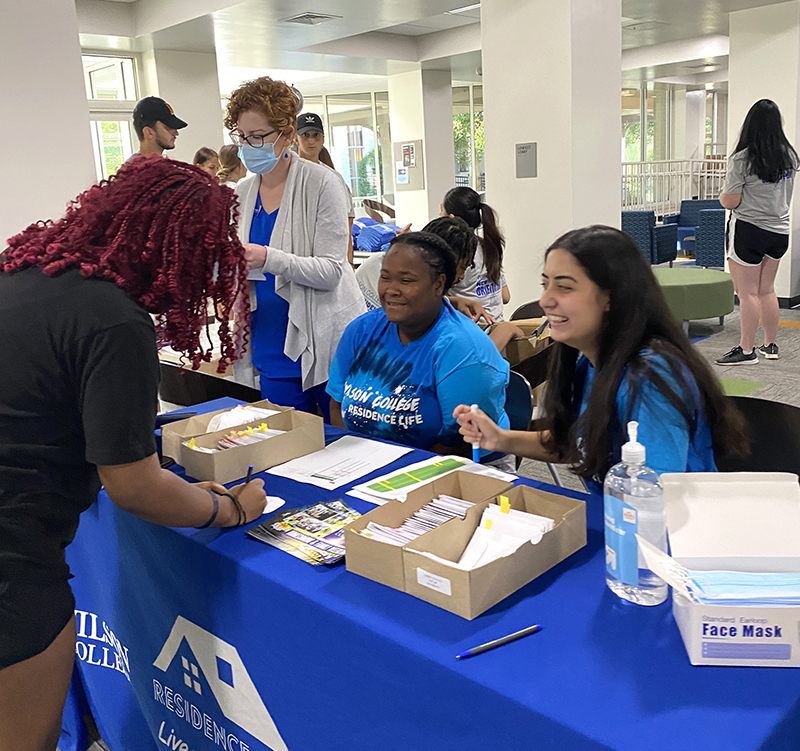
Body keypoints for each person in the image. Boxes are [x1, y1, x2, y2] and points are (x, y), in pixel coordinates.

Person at [0, 158, 267, 750]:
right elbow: (135, 487)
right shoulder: (114, 320)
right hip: (14, 562)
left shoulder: (19, 276)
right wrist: (229, 509)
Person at [455, 226, 747, 494]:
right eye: (546, 285)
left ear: (611, 296)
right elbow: (576, 444)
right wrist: (500, 439)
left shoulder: (651, 375)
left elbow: (652, 496)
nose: (545, 300)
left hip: (666, 536)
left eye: (564, 287)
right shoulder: (588, 361)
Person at [225, 77, 365, 420]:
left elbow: (333, 271)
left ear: (288, 136)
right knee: (289, 450)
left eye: (258, 137)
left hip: (325, 341)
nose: (249, 145)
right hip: (271, 344)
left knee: (343, 447)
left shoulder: (322, 184)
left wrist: (269, 258)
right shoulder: (241, 194)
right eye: (242, 137)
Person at [328, 231, 510, 455]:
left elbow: (460, 444)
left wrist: (385, 470)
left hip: (455, 464)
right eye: (385, 277)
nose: (391, 290)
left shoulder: (464, 350)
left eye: (406, 281)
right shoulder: (361, 331)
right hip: (366, 461)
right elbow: (336, 404)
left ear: (438, 284)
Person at [716, 99, 798, 365]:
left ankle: (747, 350)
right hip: (779, 232)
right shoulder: (789, 156)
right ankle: (770, 345)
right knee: (767, 290)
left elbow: (730, 201)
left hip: (750, 231)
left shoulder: (743, 158)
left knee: (748, 293)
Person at [294, 112, 356, 266]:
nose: (311, 141)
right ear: (295, 139)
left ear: (323, 139)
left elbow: (347, 222)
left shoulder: (333, 179)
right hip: (295, 258)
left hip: (328, 261)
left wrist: (348, 262)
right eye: (305, 135)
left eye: (316, 135)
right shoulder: (287, 177)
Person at [444, 186, 510, 320]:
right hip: (497, 324)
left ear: (452, 219)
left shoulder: (457, 255)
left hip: (473, 329)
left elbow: (432, 300)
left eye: (441, 211)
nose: (439, 216)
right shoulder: (488, 246)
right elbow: (505, 296)